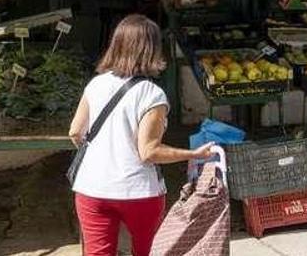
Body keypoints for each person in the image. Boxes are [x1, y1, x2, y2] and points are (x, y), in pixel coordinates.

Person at [68, 14, 215, 256]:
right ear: (152, 50)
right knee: (147, 251)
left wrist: (102, 154)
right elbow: (149, 152)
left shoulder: (96, 84)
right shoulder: (151, 94)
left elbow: (75, 131)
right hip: (138, 192)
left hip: (91, 187)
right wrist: (193, 153)